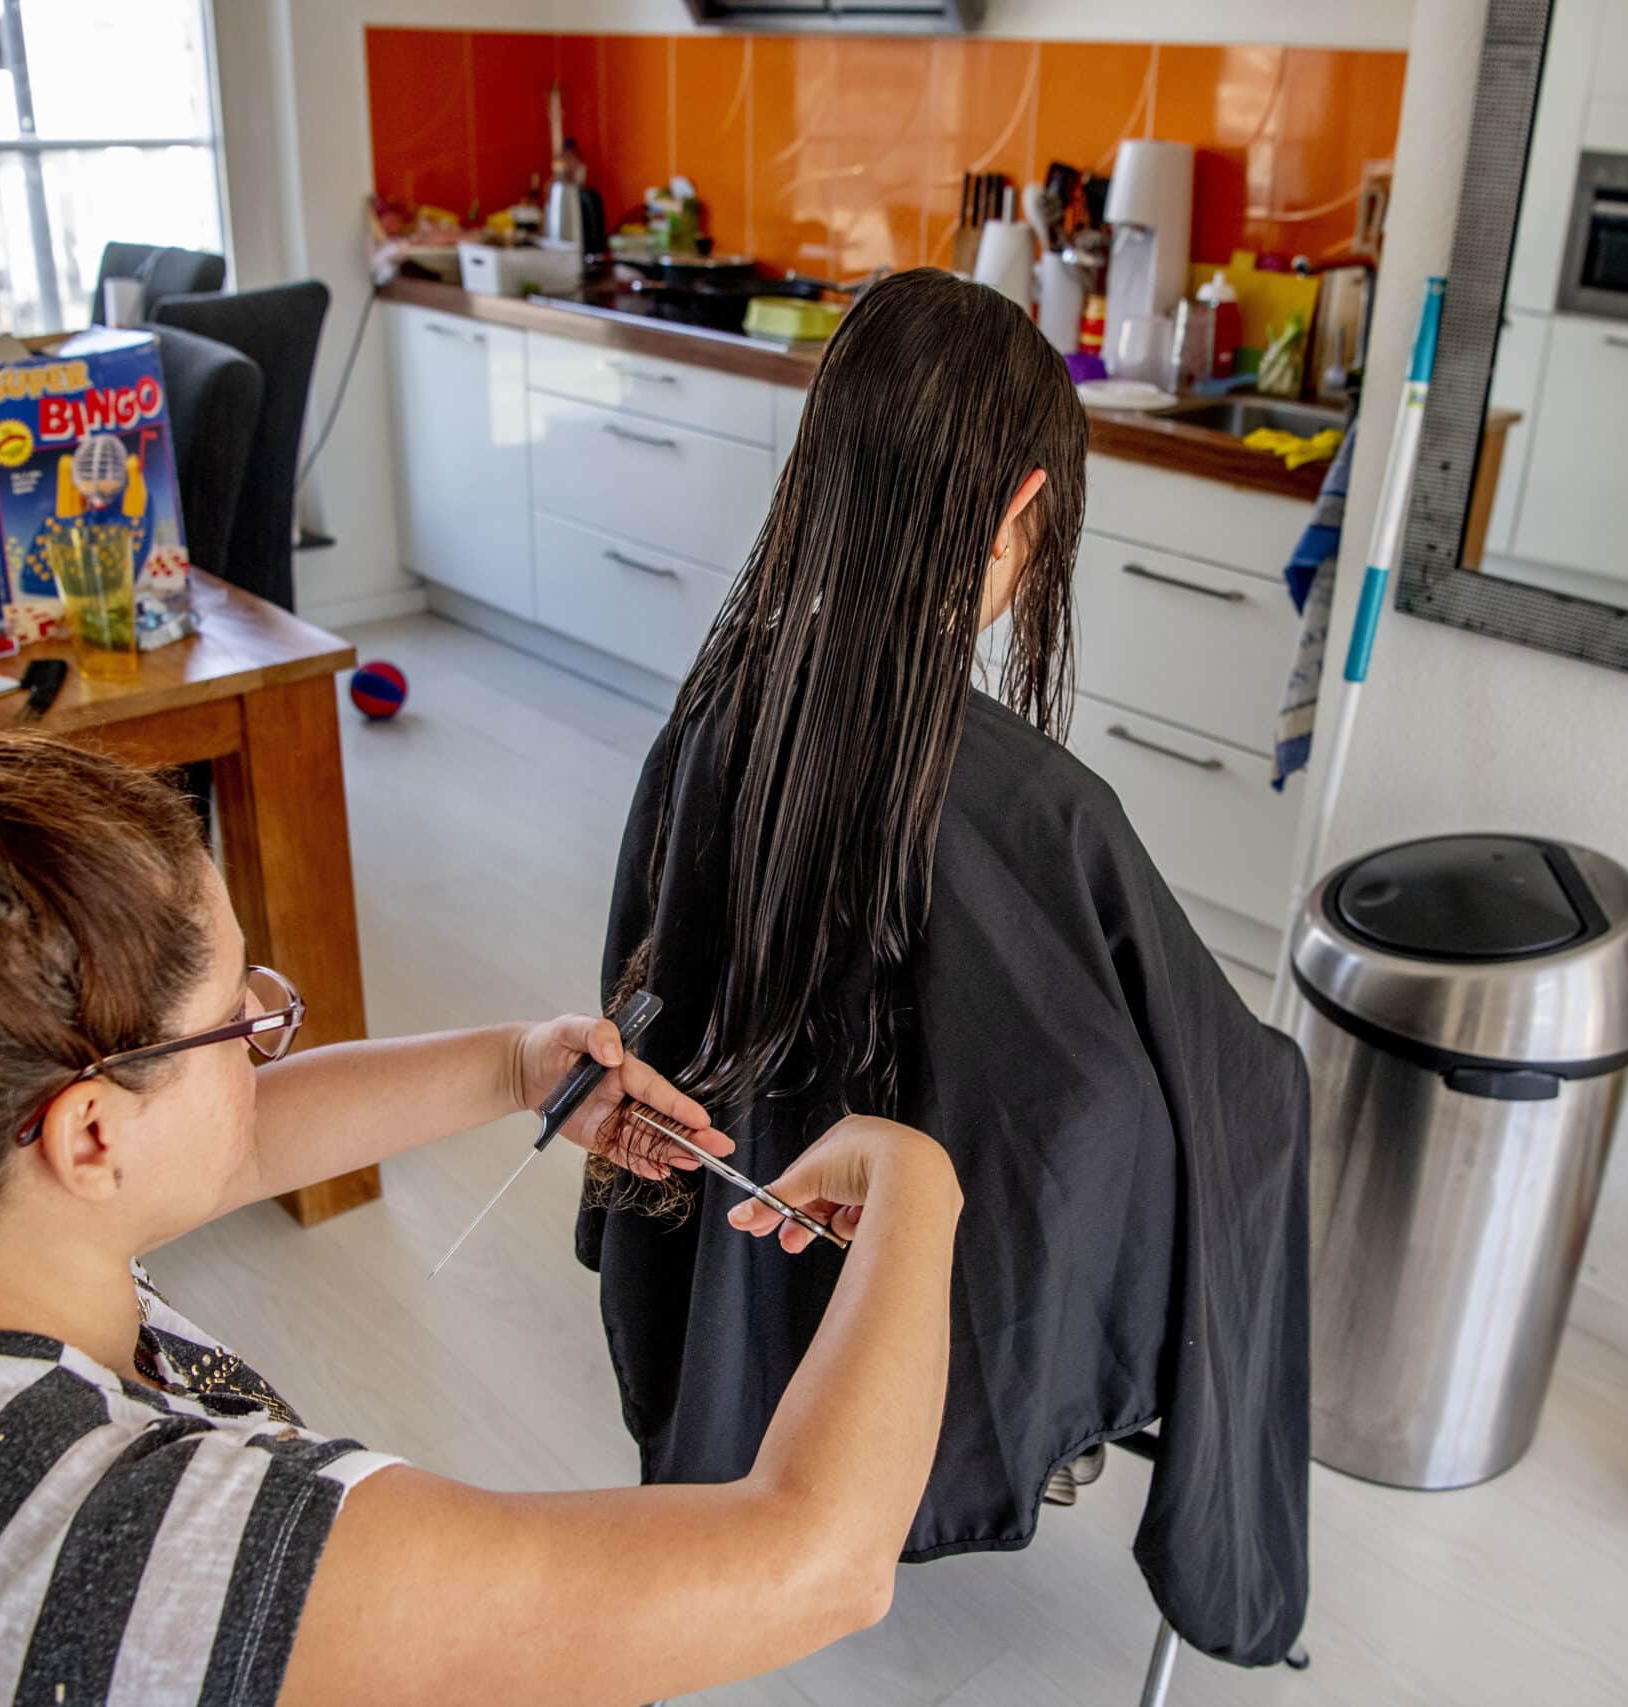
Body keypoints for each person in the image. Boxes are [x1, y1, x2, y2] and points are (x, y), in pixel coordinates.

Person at [0, 731, 963, 1707]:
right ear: (89, 1131)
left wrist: (515, 1066)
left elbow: (212, 1147)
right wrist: (919, 1189)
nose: (265, 1041)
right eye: (240, 1028)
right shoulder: (172, 1552)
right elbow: (820, 1562)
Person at [580, 267, 1313, 1668]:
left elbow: (637, 1002)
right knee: (1257, 1092)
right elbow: (1210, 1092)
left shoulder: (714, 718)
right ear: (1022, 511)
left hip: (740, 1267)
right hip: (976, 1294)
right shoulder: (1048, 808)